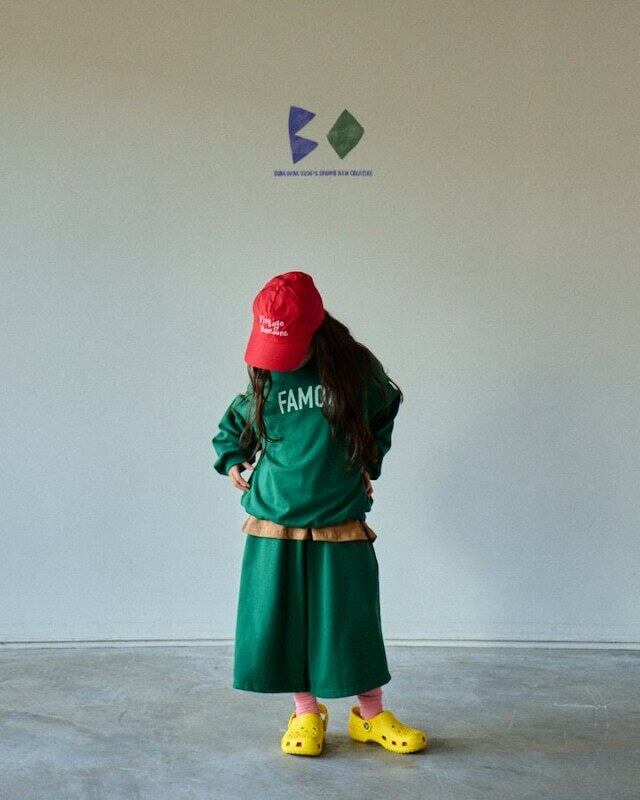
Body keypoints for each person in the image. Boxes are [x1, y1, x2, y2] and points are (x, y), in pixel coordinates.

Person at [211, 270, 428, 756]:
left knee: (352, 620)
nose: (279, 358)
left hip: (339, 518)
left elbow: (384, 409)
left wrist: (368, 459)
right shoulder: (267, 373)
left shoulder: (356, 369)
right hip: (274, 520)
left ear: (315, 327)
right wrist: (233, 459)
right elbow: (234, 425)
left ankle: (370, 716)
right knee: (287, 620)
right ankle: (306, 712)